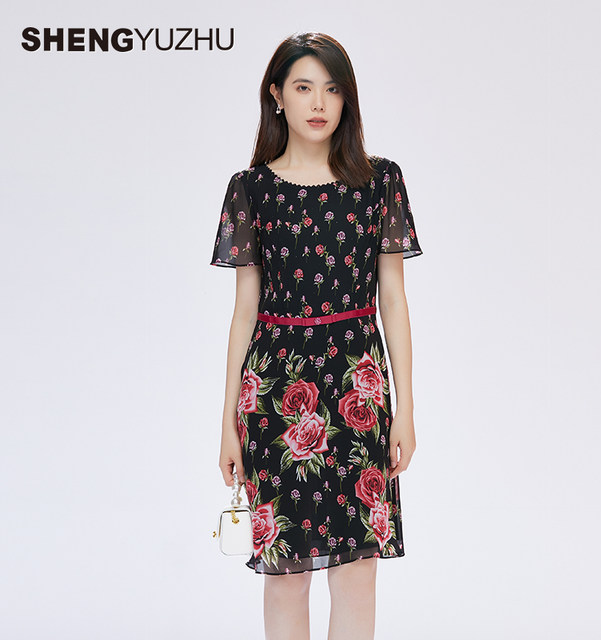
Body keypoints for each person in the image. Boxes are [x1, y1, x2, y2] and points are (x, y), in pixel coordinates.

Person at [210, 32, 423, 640]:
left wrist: (406, 409)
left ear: (347, 98)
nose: (319, 103)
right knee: (286, 572)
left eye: (332, 89)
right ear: (277, 96)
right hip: (275, 392)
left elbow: (393, 300)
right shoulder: (251, 189)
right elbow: (244, 310)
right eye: (303, 87)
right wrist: (227, 420)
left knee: (358, 568)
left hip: (359, 387)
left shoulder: (379, 182)